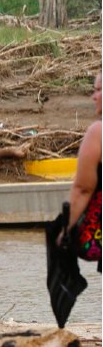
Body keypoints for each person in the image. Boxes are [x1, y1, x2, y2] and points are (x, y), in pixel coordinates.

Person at [66, 73, 102, 266]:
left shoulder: (98, 133)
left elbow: (82, 189)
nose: (93, 97)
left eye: (98, 90)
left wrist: (63, 232)